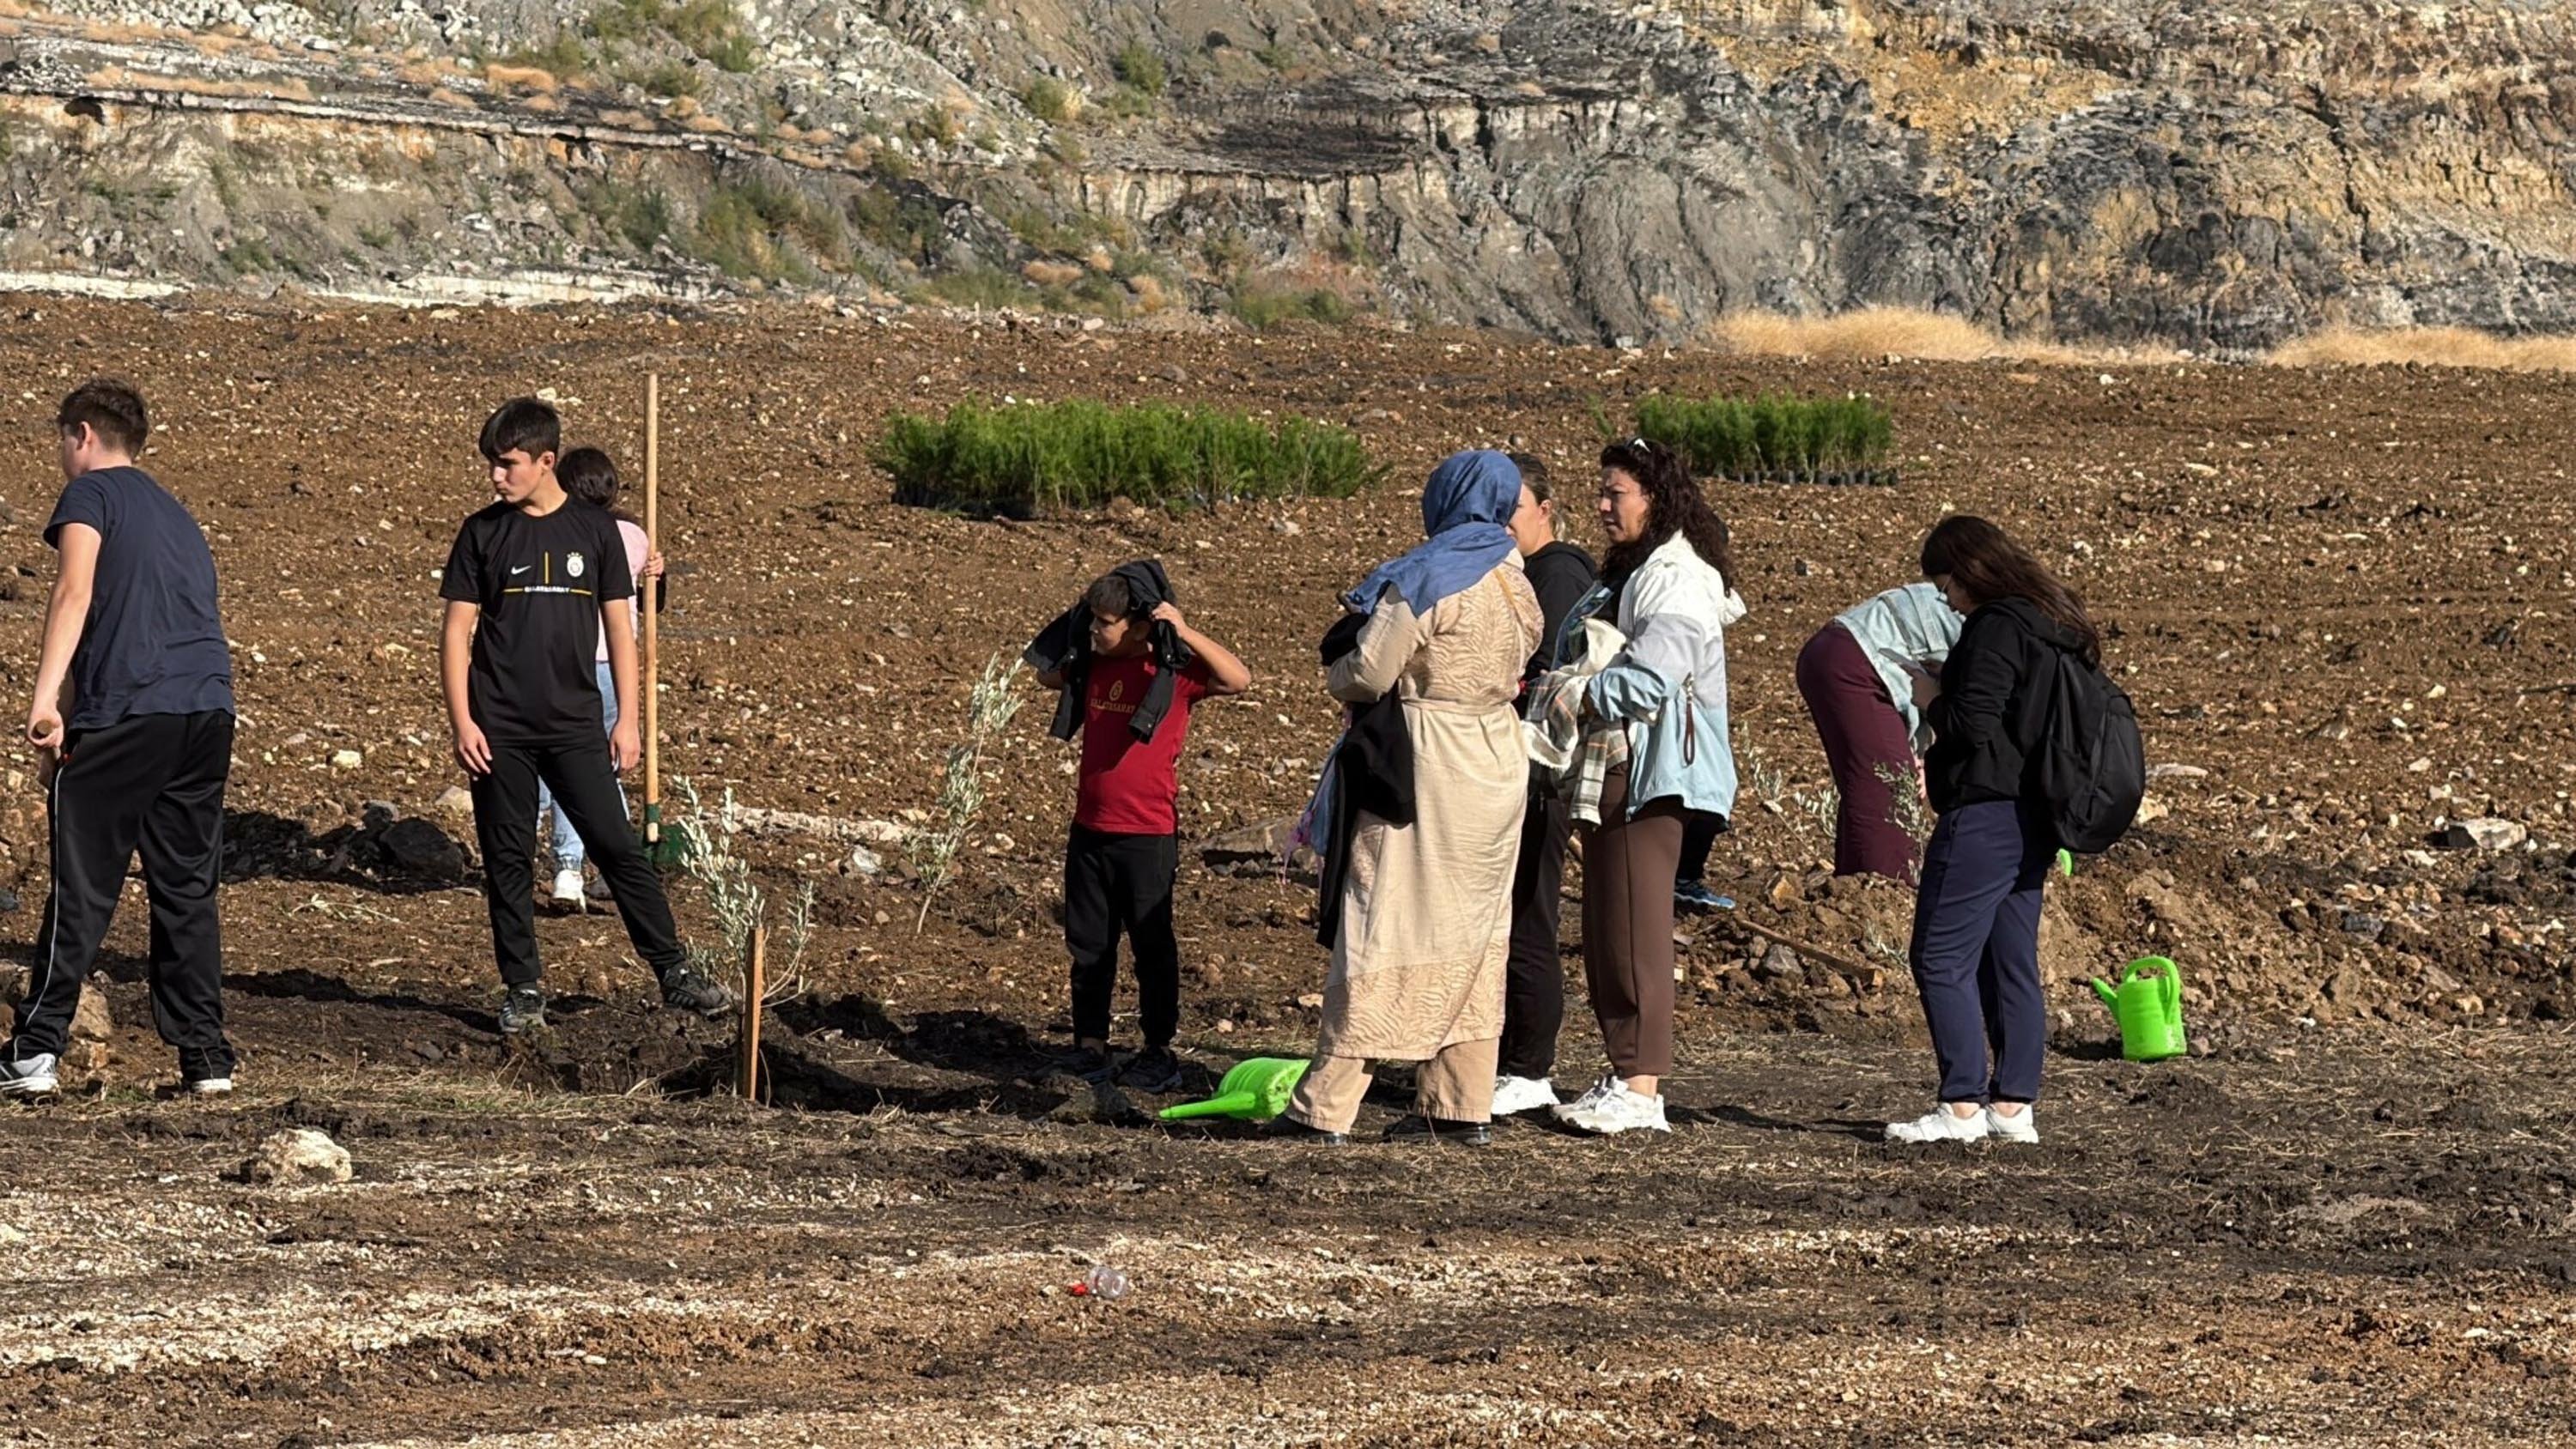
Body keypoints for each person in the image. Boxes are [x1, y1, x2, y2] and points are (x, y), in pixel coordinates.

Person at [440, 397, 734, 1034]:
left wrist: (628, 719)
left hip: (577, 725)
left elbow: (622, 630)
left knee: (620, 849)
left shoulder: (596, 533)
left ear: (546, 461)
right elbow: (456, 631)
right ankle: (523, 988)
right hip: (499, 731)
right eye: (491, 464)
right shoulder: (482, 533)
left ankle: (674, 971)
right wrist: (463, 722)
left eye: (507, 464)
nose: (496, 476)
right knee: (508, 859)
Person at [1276, 451, 1540, 1146]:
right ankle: (1460, 1102)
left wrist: (1337, 666)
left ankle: (1324, 1106)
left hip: (1425, 761)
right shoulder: (1518, 582)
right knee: (1477, 933)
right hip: (1497, 760)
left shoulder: (1426, 578)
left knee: (1382, 917)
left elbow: (1368, 672)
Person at [1, 379, 240, 1097]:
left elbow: (74, 596)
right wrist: (69, 711)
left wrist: (42, 700)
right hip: (205, 712)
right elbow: (118, 619)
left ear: (82, 435)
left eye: (61, 442)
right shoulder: (175, 512)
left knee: (83, 882)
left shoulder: (89, 497)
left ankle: (35, 1051)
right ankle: (207, 1060)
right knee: (186, 886)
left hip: (135, 712)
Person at [1886, 515, 2099, 1146]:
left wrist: (1931, 695)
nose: (1947, 599)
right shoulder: (2053, 626)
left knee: (1940, 954)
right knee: (2010, 960)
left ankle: (1960, 1105)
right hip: (2037, 814)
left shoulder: (1994, 627)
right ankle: (2012, 1108)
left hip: (1984, 813)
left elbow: (1974, 723)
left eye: (1947, 584)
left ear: (1971, 572)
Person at [1552, 439, 1743, 1137]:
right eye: (1600, 492)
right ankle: (1627, 1073)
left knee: (1635, 931)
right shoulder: (1647, 571)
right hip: (1632, 769)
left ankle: (1640, 1087)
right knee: (1612, 926)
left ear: (1654, 499)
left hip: (1655, 774)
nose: (1602, 505)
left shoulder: (1676, 580)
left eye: (1616, 493)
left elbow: (1650, 680)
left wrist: (1571, 692)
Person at [1028, 563, 1250, 1092]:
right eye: (1092, 621)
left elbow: (1238, 679)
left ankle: (1158, 1050)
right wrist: (1083, 627)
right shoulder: (1093, 664)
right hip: (1090, 831)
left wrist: (1181, 627)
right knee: (1089, 945)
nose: (1094, 631)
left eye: (1105, 622)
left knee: (1152, 947)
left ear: (1139, 625)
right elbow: (1044, 672)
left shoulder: (1173, 675)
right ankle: (1090, 1047)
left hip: (1147, 835)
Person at [1492, 454, 1595, 1118]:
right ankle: (1506, 1057)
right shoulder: (1526, 573)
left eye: (1512, 508)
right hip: (1518, 766)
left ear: (1545, 510)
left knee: (1528, 911)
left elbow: (1543, 668)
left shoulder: (1556, 574)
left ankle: (1529, 1065)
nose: (1501, 522)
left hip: (1537, 771)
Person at [533, 446, 664, 913]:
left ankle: (544, 860)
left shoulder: (560, 530)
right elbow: (652, 603)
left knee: (553, 765)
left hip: (565, 667)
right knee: (588, 770)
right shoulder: (631, 534)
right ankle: (581, 868)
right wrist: (656, 573)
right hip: (614, 667)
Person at [1798, 583, 1963, 880]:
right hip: (1856, 664)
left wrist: (1926, 756)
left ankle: (1853, 899)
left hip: (1844, 656)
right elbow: (1981, 716)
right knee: (1889, 800)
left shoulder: (2009, 616)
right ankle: (1882, 901)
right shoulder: (2010, 628)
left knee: (1876, 790)